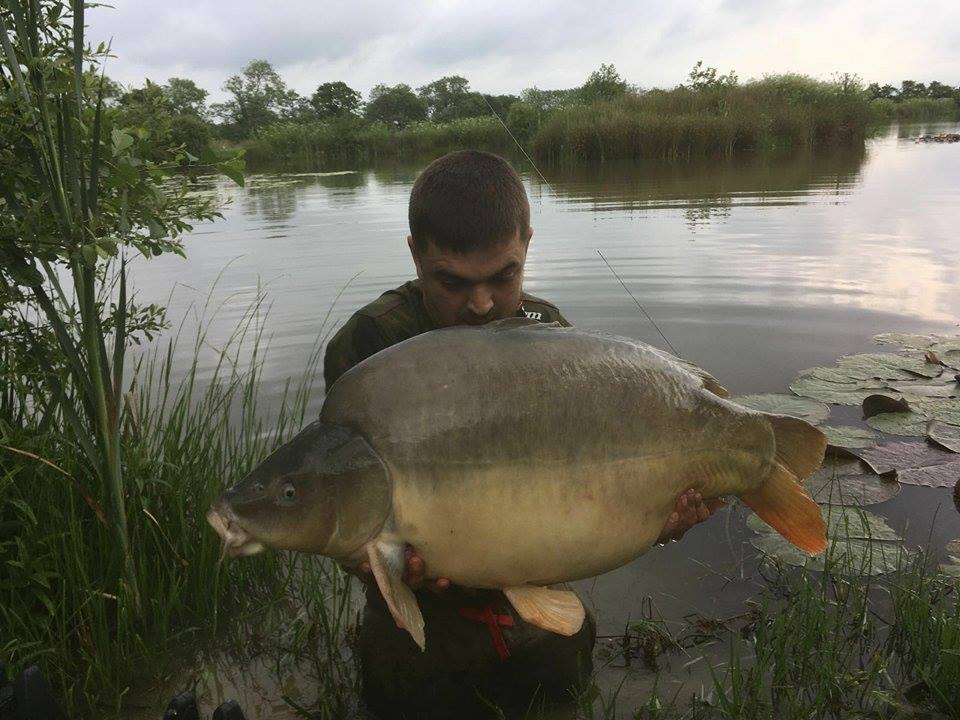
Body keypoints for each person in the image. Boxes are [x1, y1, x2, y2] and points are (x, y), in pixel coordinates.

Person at [323, 150, 720, 719]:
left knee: (559, 688)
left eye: (503, 276)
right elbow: (338, 498)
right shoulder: (369, 345)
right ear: (415, 255)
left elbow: (584, 496)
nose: (481, 305)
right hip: (420, 624)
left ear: (527, 243)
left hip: (537, 603)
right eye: (452, 283)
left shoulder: (551, 336)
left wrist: (654, 520)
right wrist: (367, 557)